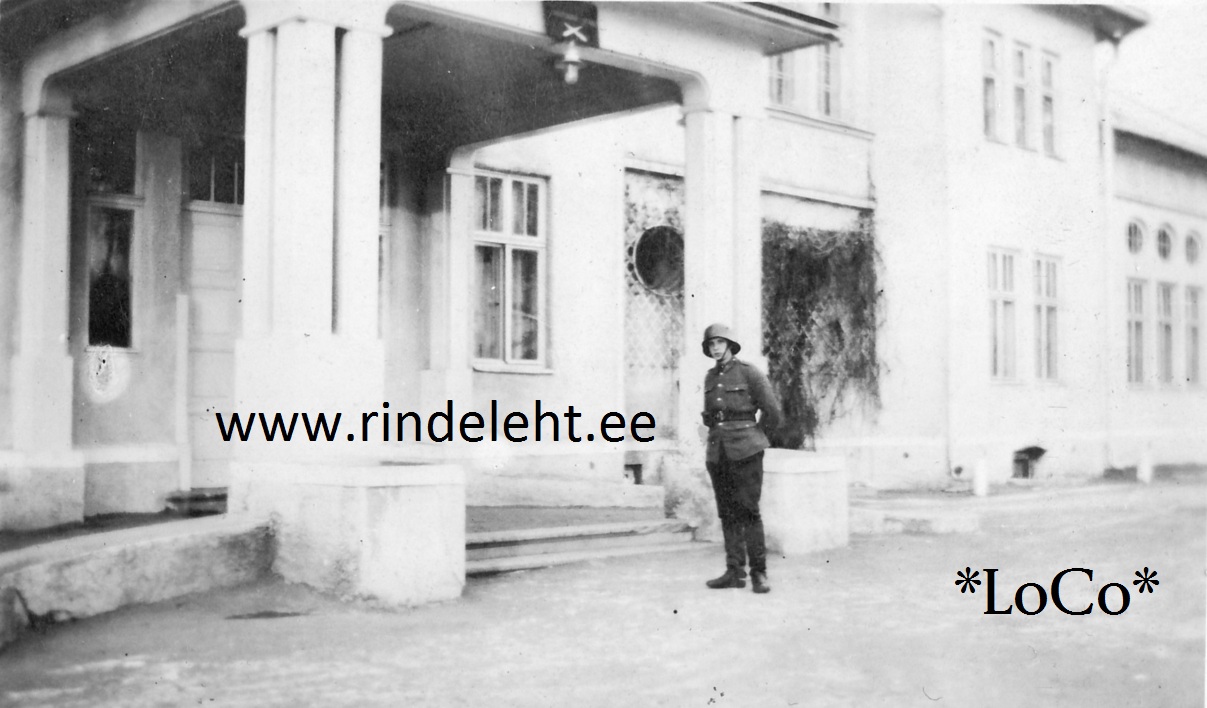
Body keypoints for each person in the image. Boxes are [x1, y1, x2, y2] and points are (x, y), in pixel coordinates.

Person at [700, 323, 782, 594]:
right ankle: (734, 571)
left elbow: (772, 412)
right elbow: (711, 417)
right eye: (711, 344)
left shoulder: (749, 373)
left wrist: (755, 438)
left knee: (749, 511)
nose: (716, 348)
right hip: (718, 452)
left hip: (746, 451)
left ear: (730, 345)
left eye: (720, 342)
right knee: (727, 512)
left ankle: (759, 573)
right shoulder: (710, 378)